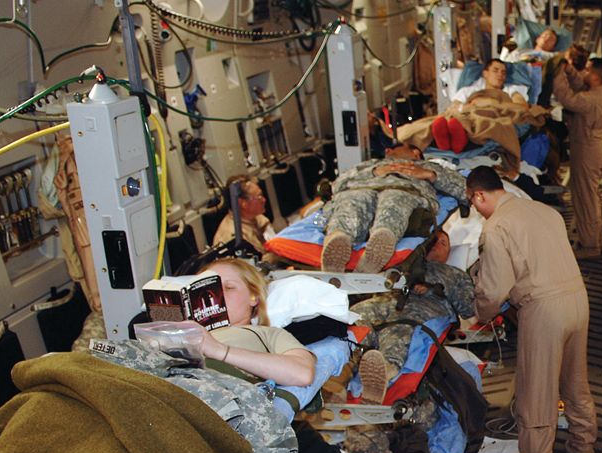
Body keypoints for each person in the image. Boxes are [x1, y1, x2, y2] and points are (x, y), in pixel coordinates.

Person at [467, 166, 597, 453]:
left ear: (479, 195)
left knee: (537, 390)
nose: (475, 210)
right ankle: (584, 446)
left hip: (544, 311)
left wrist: (479, 313)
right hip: (578, 299)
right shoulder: (543, 210)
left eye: (472, 202)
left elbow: (495, 287)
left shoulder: (496, 228)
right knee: (575, 380)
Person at [355, 230, 476, 403]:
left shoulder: (456, 275)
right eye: (434, 241)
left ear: (449, 252)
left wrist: (436, 289)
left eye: (444, 243)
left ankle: (385, 372)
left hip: (424, 308)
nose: (438, 245)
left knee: (400, 327)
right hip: (388, 301)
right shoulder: (405, 264)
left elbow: (468, 309)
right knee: (356, 315)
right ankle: (349, 364)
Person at [319, 143, 466, 273]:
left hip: (404, 190)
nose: (387, 150)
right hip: (361, 189)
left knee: (394, 199)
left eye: (395, 148)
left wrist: (430, 175)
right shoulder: (370, 164)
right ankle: (339, 240)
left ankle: (381, 242)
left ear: (415, 153)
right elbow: (337, 185)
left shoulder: (429, 167)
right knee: (353, 200)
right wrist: (373, 172)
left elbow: (464, 190)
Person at [197, 258, 316, 387]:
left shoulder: (268, 333)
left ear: (253, 297)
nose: (215, 297)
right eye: (206, 290)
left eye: (229, 287)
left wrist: (219, 351)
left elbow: (302, 374)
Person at [552, 56, 602, 260]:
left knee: (585, 198)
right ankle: (596, 238)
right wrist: (569, 71)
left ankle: (590, 246)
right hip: (593, 149)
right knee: (590, 195)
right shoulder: (599, 92)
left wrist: (557, 73)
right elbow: (579, 84)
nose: (583, 72)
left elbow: (565, 97)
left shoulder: (590, 99)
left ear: (594, 76)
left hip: (588, 151)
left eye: (586, 70)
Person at [432, 58, 527, 152]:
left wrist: (492, 103)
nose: (500, 75)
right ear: (485, 73)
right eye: (495, 70)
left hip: (492, 119)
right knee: (451, 117)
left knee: (482, 122)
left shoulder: (511, 91)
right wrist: (469, 108)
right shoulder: (469, 90)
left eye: (503, 72)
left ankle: (457, 142)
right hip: (468, 116)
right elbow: (453, 108)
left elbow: (522, 108)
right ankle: (451, 140)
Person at [213, 175, 272, 252]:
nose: (264, 200)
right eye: (259, 197)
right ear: (243, 203)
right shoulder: (232, 237)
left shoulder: (255, 216)